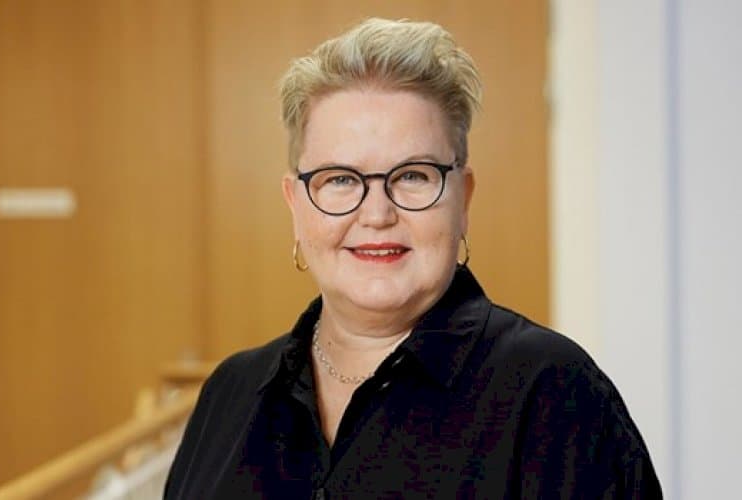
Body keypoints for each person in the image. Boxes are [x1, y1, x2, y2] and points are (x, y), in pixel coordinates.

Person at [165, 18, 662, 499]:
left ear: (463, 199)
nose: (377, 214)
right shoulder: (229, 395)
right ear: (295, 205)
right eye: (340, 179)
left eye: (412, 176)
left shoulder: (557, 395)